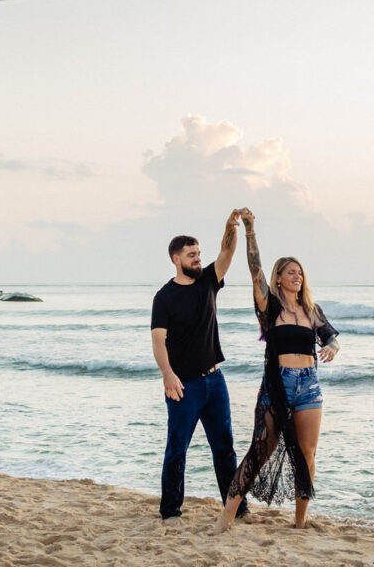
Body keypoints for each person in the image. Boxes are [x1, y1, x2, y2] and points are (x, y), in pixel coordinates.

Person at [216, 208, 340, 532]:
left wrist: (330, 348)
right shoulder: (269, 307)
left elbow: (332, 339)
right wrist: (250, 231)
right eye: (290, 272)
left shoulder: (312, 310)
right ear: (279, 278)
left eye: (299, 272)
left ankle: (300, 521)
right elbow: (255, 269)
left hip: (309, 386)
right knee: (259, 452)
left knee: (308, 455)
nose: (297, 276)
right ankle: (226, 517)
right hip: (278, 386)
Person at [149, 210, 250, 521]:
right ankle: (170, 512)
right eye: (191, 255)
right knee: (177, 449)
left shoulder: (208, 281)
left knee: (225, 449)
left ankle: (236, 507)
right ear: (176, 259)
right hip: (184, 385)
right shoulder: (164, 297)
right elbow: (158, 340)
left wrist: (230, 227)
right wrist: (168, 375)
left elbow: (227, 251)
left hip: (215, 381)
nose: (197, 259)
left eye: (198, 254)